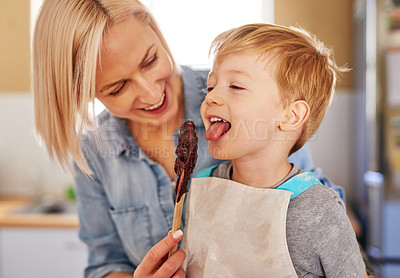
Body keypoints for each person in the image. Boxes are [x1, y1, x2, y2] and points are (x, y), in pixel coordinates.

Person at [32, 0, 352, 277]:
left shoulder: (256, 100)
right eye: (117, 88)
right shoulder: (95, 149)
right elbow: (105, 263)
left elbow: (316, 213)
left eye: (150, 60)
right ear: (82, 94)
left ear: (157, 33)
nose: (150, 92)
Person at [182, 23, 367, 277]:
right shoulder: (202, 187)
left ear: (291, 116)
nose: (210, 98)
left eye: (235, 86)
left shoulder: (317, 210)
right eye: (210, 87)